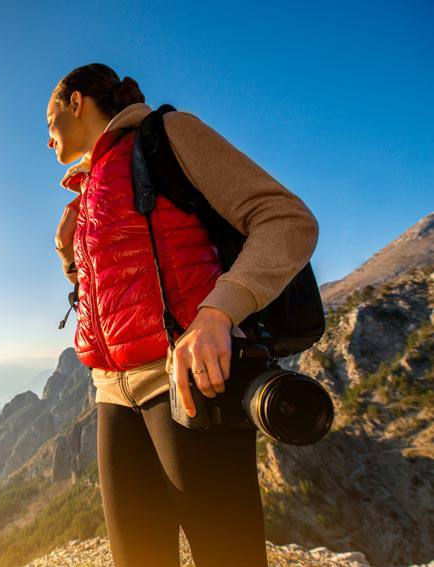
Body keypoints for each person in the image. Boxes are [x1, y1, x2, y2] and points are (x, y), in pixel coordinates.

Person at [45, 63, 319, 566]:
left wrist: (218, 312)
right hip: (112, 391)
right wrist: (69, 255)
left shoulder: (167, 135)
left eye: (49, 122)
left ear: (76, 102)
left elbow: (288, 220)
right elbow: (114, 294)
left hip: (186, 379)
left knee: (226, 554)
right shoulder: (90, 186)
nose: (48, 140)